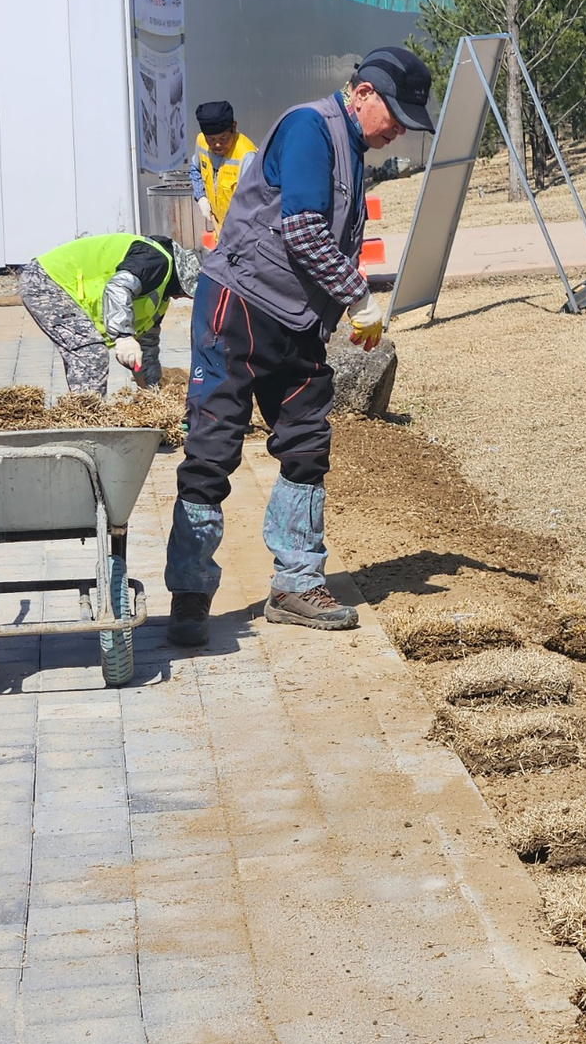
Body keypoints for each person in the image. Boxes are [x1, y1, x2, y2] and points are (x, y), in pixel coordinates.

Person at [164, 46, 434, 647]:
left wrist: (337, 311)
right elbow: (304, 229)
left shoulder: (353, 146)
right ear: (363, 92)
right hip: (238, 306)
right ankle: (188, 593)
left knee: (307, 444)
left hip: (296, 321)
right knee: (213, 445)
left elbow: (322, 238)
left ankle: (295, 584)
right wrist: (360, 297)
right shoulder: (310, 127)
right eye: (394, 113)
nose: (398, 129)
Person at [19, 233, 200, 398]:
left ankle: (89, 419)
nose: (182, 297)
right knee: (91, 353)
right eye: (186, 293)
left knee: (90, 351)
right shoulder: (156, 260)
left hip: (62, 287)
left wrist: (152, 394)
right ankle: (89, 424)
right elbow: (117, 288)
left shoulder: (159, 298)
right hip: (47, 281)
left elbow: (147, 346)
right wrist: (123, 337)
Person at [191, 101, 257, 235]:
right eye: (211, 139)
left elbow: (251, 205)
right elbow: (195, 169)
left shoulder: (246, 156)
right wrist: (201, 197)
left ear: (234, 126)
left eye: (223, 138)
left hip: (242, 235)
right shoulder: (201, 142)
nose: (217, 145)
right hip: (220, 232)